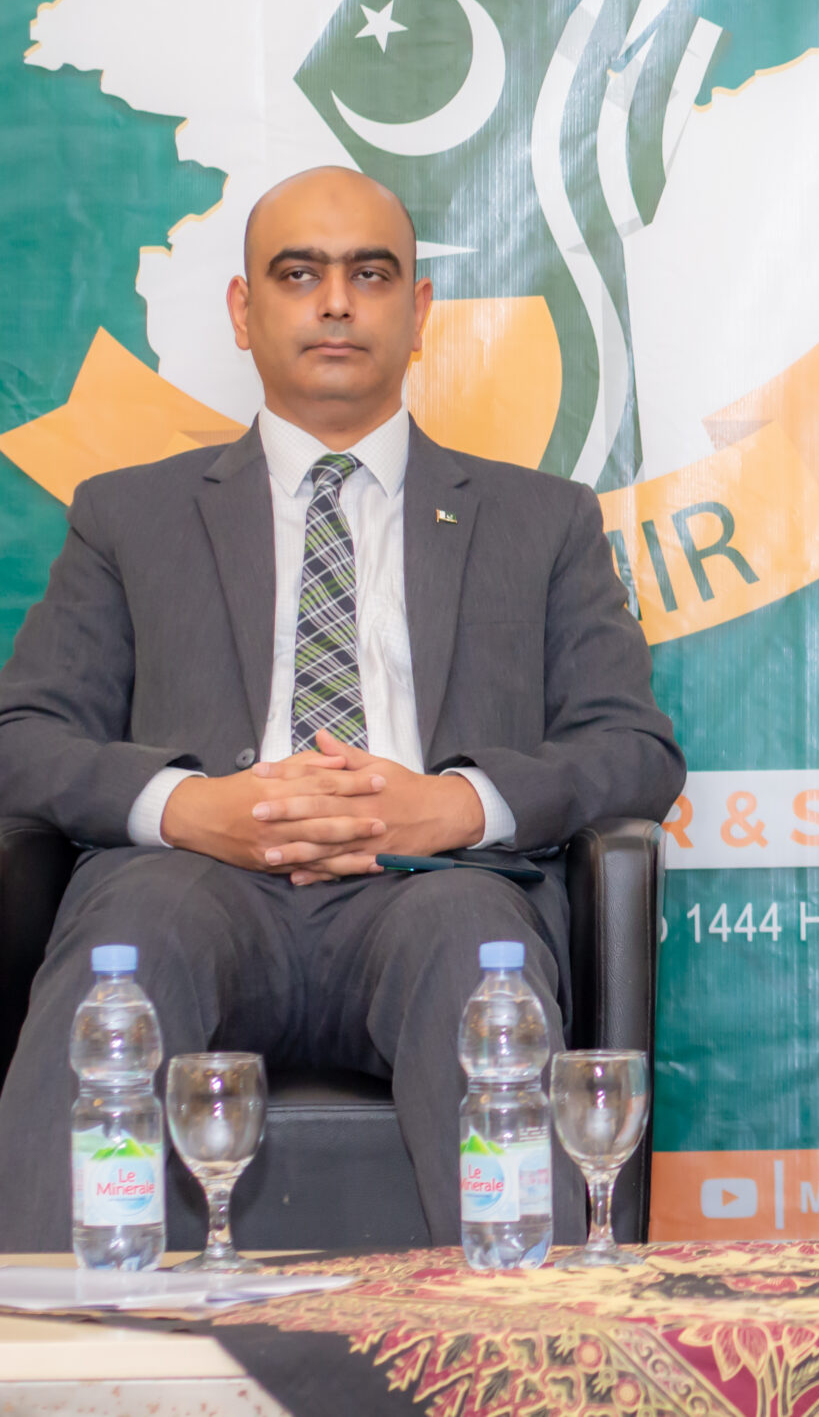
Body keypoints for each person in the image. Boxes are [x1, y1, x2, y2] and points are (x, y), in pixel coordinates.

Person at [0, 166, 685, 1248]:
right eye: (298, 273)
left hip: (432, 893)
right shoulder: (130, 517)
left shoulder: (540, 521)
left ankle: (534, 1368)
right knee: (129, 936)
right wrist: (190, 808)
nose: (334, 302)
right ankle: (46, 1363)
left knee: (474, 946)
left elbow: (634, 750)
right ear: (243, 310)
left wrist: (455, 807)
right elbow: (21, 741)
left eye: (370, 274)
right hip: (199, 883)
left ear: (417, 315)